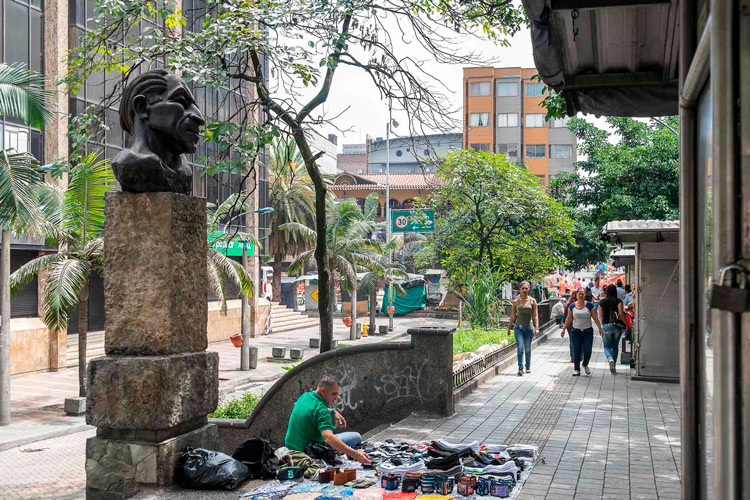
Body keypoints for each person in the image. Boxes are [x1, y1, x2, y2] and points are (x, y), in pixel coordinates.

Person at [285, 375, 372, 477]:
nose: (336, 398)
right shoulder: (322, 411)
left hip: (291, 447)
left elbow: (312, 410)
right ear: (323, 391)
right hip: (309, 452)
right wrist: (356, 454)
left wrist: (333, 412)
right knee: (356, 437)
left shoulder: (305, 397)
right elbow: (329, 438)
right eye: (334, 394)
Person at [561, 287, 603, 376]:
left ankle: (585, 364)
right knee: (576, 350)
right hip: (576, 331)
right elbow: (569, 318)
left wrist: (600, 328)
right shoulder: (572, 306)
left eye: (582, 293)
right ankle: (576, 369)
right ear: (576, 295)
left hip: (587, 331)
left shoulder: (590, 306)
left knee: (588, 351)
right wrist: (564, 328)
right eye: (579, 293)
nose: (581, 295)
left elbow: (595, 318)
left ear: (585, 295)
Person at [507, 281, 540, 376]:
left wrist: (536, 327)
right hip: (518, 328)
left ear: (528, 289)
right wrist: (509, 328)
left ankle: (528, 365)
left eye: (526, 288)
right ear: (520, 289)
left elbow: (535, 315)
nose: (525, 290)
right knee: (520, 348)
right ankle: (520, 367)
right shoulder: (515, 302)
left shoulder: (533, 301)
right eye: (523, 288)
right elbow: (513, 316)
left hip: (529, 328)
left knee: (528, 348)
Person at [598, 284, 626, 374]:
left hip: (606, 326)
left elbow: (601, 316)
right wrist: (626, 324)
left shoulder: (602, 302)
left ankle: (610, 360)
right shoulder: (619, 301)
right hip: (617, 327)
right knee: (615, 347)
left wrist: (601, 326)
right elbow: (621, 314)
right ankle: (614, 366)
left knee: (606, 346)